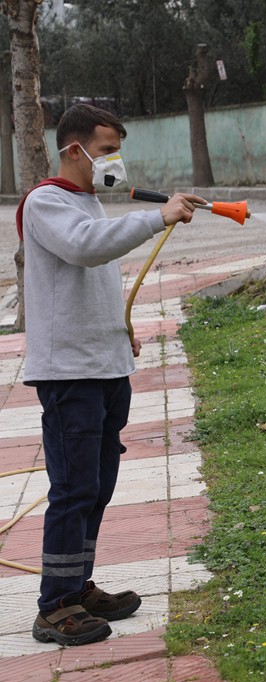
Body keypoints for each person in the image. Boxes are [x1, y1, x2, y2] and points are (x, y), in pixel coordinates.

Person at [16, 103, 204, 646]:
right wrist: (157, 216)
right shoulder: (46, 202)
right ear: (74, 150)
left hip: (105, 366)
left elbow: (90, 279)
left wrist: (117, 331)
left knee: (96, 487)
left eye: (116, 151)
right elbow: (86, 249)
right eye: (104, 151)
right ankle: (54, 607)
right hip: (70, 374)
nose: (112, 161)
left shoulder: (88, 203)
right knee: (73, 490)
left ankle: (77, 586)